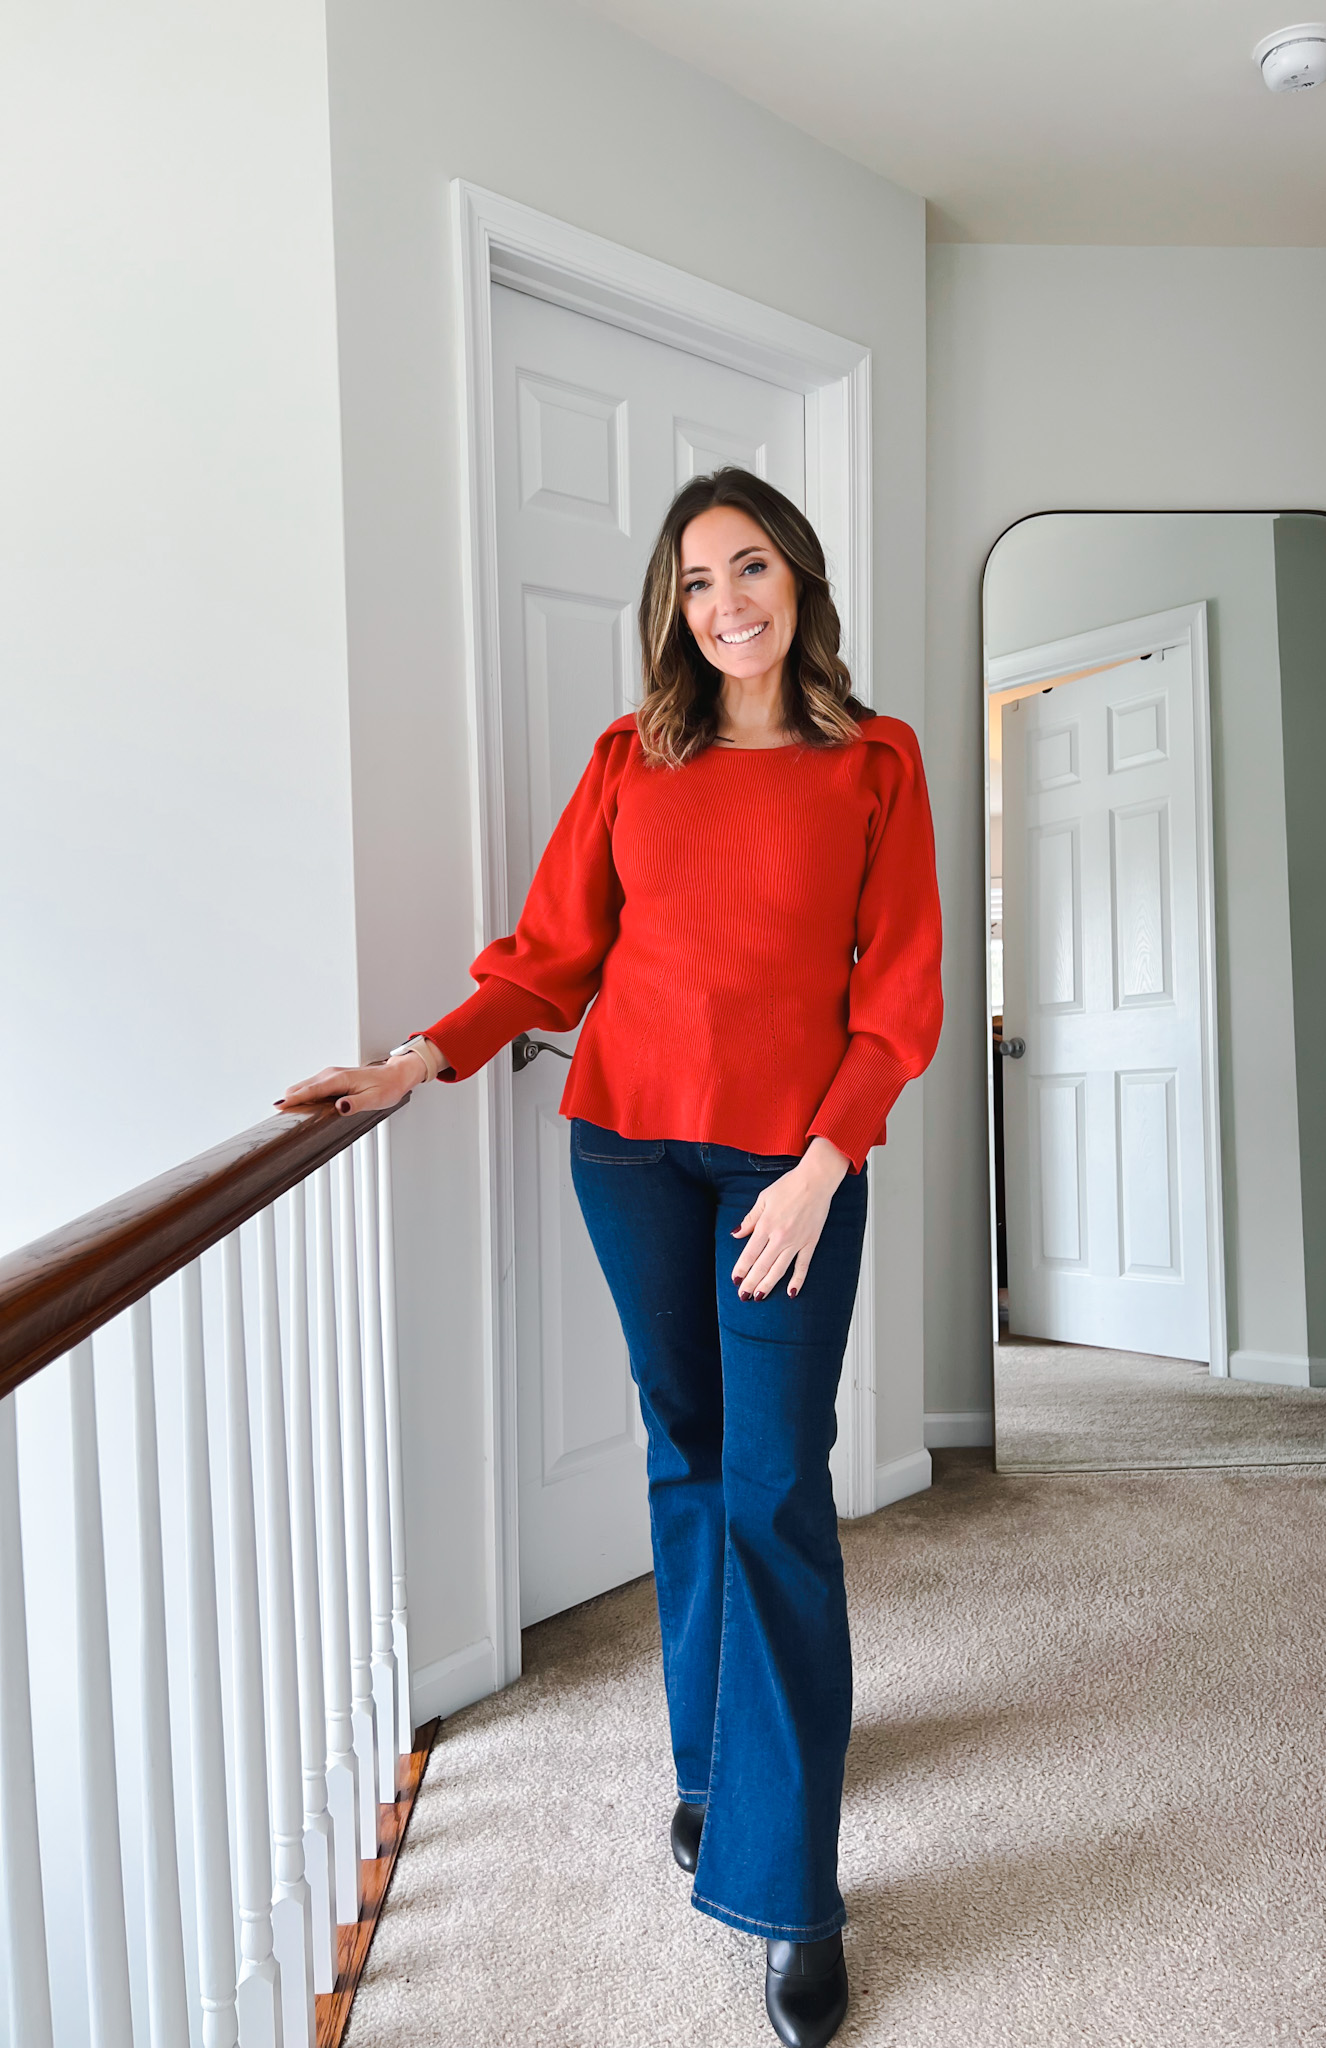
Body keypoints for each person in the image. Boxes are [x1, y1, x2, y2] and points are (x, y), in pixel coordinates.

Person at [282, 468, 943, 2047]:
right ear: (673, 611)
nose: (727, 603)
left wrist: (825, 1164)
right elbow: (549, 959)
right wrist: (416, 1059)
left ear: (800, 582)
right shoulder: (628, 761)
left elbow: (901, 993)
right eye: (697, 582)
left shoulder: (875, 761)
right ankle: (710, 1775)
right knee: (689, 1452)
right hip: (629, 1153)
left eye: (751, 568)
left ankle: (792, 1895)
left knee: (776, 1488)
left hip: (793, 1170)